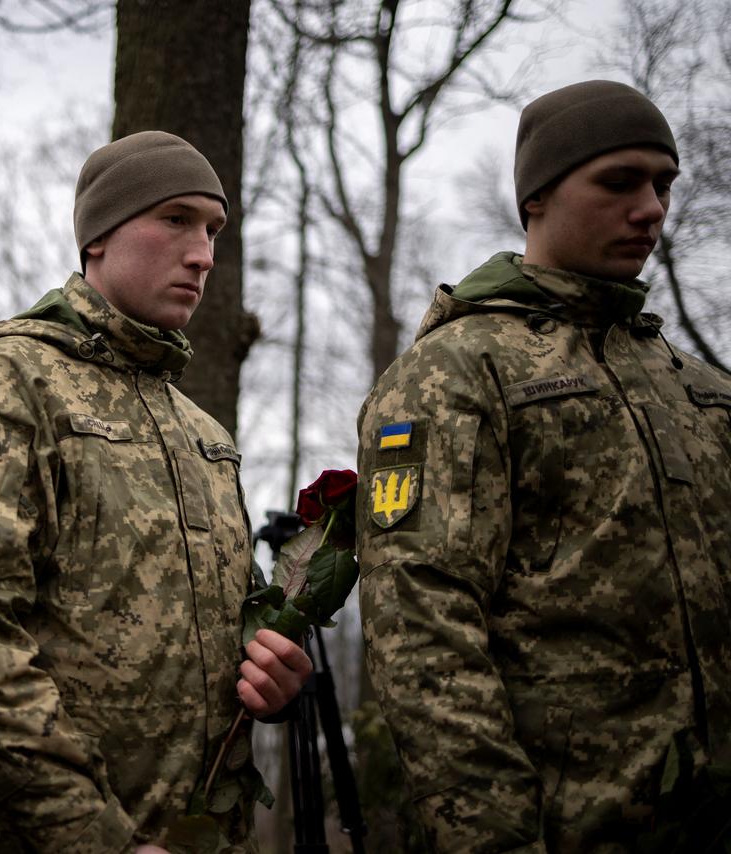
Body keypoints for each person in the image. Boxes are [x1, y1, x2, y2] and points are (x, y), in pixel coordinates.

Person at [0, 131, 313, 852]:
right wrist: (97, 838)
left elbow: (223, 644)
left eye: (213, 230)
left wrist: (271, 678)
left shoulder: (201, 432)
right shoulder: (7, 383)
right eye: (176, 219)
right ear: (97, 237)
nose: (204, 254)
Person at [357, 80, 731, 851]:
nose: (653, 207)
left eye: (663, 183)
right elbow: (423, 632)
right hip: (565, 829)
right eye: (620, 181)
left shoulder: (702, 388)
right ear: (537, 197)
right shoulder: (457, 372)